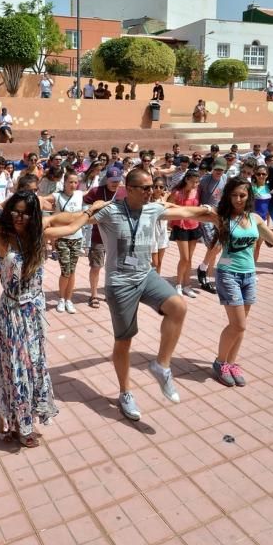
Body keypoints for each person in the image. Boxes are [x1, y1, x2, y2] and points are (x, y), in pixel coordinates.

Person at [0, 190, 103, 447]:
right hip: (10, 312)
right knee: (12, 367)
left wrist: (91, 208)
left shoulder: (41, 237)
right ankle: (16, 422)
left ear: (34, 216)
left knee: (33, 367)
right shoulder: (0, 239)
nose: (19, 217)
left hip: (34, 312)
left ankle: (19, 419)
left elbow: (73, 226)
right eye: (15, 211)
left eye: (25, 213)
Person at [86, 168, 214, 421]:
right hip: (120, 283)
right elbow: (74, 220)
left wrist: (212, 213)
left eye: (153, 187)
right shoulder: (110, 212)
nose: (152, 192)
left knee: (178, 307)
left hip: (145, 275)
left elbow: (188, 211)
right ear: (130, 189)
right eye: (146, 188)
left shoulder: (154, 208)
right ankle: (125, 393)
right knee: (124, 341)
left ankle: (161, 366)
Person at [209, 178, 273, 387]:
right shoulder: (223, 217)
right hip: (228, 274)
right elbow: (193, 213)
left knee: (241, 327)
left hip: (249, 276)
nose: (238, 199)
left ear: (249, 196)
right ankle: (219, 362)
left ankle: (231, 363)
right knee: (238, 324)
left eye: (242, 195)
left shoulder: (255, 219)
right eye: (233, 195)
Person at [83, 167, 126, 308]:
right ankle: (94, 295)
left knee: (114, 267)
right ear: (106, 179)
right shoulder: (96, 191)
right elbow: (83, 203)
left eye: (117, 180)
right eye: (112, 180)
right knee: (96, 266)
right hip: (98, 236)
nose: (115, 183)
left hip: (118, 236)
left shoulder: (124, 192)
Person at [45, 171, 85, 314]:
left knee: (72, 270)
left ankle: (69, 299)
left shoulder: (80, 194)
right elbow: (41, 200)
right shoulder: (57, 196)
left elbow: (96, 195)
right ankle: (61, 299)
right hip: (62, 238)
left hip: (77, 238)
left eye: (75, 182)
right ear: (65, 183)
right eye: (70, 182)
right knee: (65, 271)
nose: (73, 185)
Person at [167, 170, 201, 297]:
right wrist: (170, 223)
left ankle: (187, 286)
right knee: (185, 258)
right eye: (193, 182)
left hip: (194, 226)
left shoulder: (197, 191)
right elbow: (169, 206)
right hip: (180, 227)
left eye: (197, 182)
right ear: (187, 180)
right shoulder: (177, 192)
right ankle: (178, 285)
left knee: (190, 258)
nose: (195, 185)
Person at [196, 158, 228, 293]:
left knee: (219, 246)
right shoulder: (204, 181)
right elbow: (197, 196)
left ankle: (207, 275)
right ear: (212, 168)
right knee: (213, 246)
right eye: (217, 169)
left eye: (221, 169)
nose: (219, 172)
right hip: (205, 216)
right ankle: (203, 269)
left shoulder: (225, 178)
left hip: (219, 216)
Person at [251, 165, 272, 262]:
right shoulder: (251, 188)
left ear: (267, 175)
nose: (261, 176)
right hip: (252, 220)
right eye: (258, 174)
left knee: (258, 246)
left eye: (263, 174)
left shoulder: (269, 188)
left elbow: (268, 209)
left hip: (263, 221)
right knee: (252, 245)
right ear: (255, 175)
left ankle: (252, 270)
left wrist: (267, 224)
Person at [151, 177, 169, 274]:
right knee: (154, 262)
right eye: (156, 186)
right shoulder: (148, 199)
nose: (158, 189)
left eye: (161, 187)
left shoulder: (165, 198)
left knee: (160, 262)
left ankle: (158, 280)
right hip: (152, 233)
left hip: (163, 232)